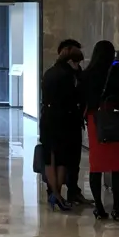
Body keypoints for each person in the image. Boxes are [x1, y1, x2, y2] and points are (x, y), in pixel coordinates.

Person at [81, 40, 119, 221]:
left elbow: (83, 98)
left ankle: (99, 208)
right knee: (118, 166)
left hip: (96, 120)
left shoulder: (87, 73)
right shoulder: (115, 70)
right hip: (115, 119)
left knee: (97, 165)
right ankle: (117, 209)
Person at [39, 39, 83, 211]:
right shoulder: (68, 76)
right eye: (77, 62)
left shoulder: (49, 72)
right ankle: (57, 194)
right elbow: (73, 99)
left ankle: (53, 194)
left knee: (50, 158)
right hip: (63, 120)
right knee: (63, 159)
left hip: (47, 118)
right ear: (71, 61)